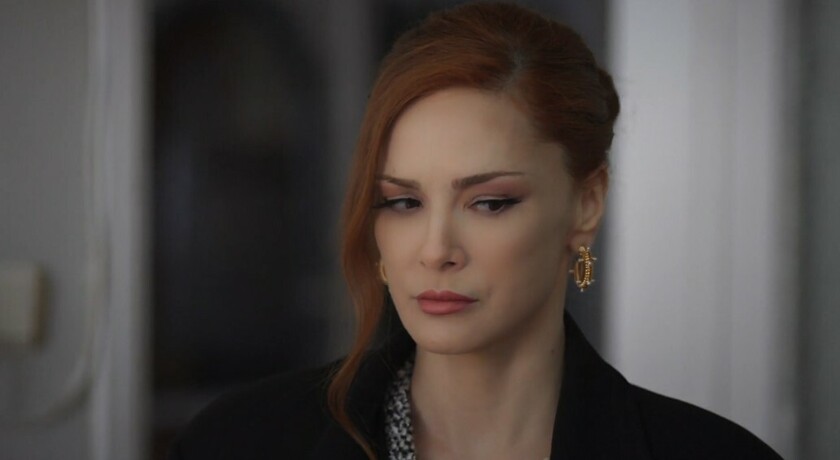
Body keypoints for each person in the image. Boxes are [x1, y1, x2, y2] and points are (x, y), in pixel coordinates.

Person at [168, 3, 783, 459]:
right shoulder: (237, 443)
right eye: (403, 202)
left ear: (586, 204)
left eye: (489, 203)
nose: (436, 250)